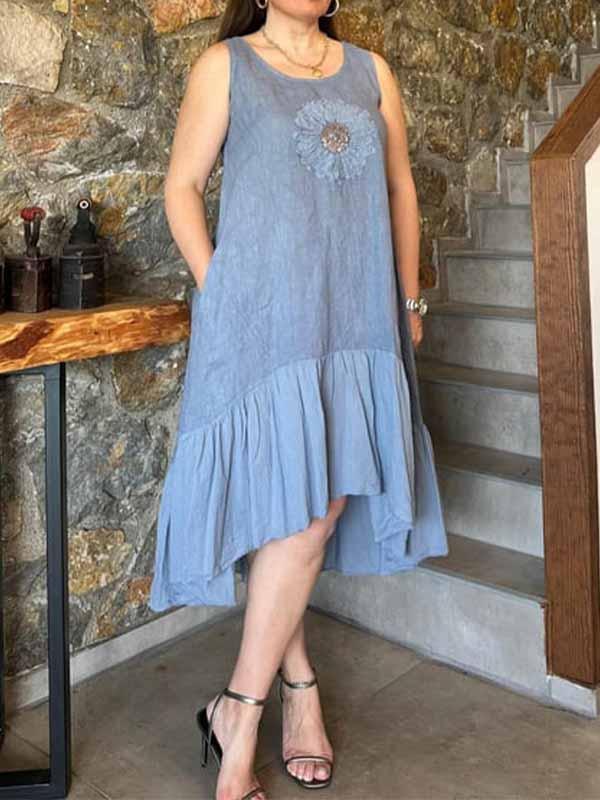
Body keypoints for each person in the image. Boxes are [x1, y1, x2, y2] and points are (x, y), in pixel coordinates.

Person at [148, 1, 449, 798]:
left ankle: (251, 702)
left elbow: (401, 188)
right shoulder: (227, 67)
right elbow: (181, 187)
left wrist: (408, 299)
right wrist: (223, 292)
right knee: (290, 506)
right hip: (266, 322)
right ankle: (264, 704)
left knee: (316, 504)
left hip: (358, 316)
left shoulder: (371, 72)